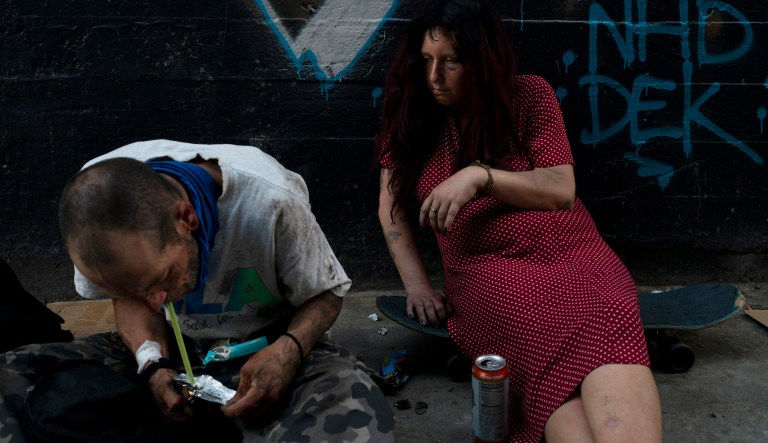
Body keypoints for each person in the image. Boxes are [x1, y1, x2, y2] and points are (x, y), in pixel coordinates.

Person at [373, 0, 662, 442]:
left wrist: (479, 177)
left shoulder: (528, 96)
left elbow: (561, 188)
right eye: (427, 59)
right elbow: (390, 208)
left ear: (482, 60)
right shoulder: (412, 115)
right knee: (541, 337)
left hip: (575, 254)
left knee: (607, 312)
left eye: (451, 62)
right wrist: (417, 285)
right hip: (490, 270)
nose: (434, 76)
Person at [0, 139, 394, 442]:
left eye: (161, 278)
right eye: (140, 290)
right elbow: (131, 301)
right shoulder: (94, 212)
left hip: (266, 347)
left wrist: (289, 350)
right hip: (169, 350)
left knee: (353, 410)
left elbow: (327, 293)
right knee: (9, 377)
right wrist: (152, 365)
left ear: (186, 218)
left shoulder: (270, 202)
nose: (157, 300)